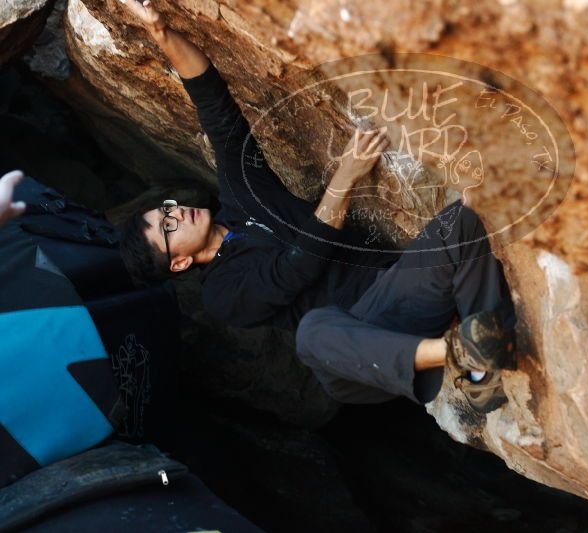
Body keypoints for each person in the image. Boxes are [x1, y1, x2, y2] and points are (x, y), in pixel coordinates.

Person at [117, 0, 517, 413]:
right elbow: (298, 266)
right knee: (312, 333)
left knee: (463, 222)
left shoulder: (240, 197)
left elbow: (215, 108)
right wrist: (345, 176)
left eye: (166, 210)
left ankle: (481, 371)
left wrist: (161, 33)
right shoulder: (224, 294)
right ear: (179, 263)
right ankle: (452, 353)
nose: (176, 214)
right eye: (167, 228)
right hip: (358, 345)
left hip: (397, 294)